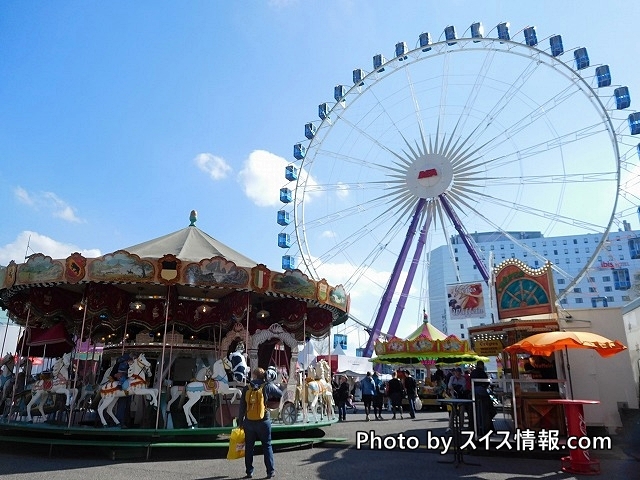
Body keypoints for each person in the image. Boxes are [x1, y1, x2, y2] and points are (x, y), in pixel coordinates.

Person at [237, 367, 283, 480]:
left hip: (249, 421)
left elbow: (242, 406)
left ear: (254, 375)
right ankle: (270, 472)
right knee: (267, 445)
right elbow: (280, 393)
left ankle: (249, 471)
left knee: (249, 447)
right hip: (264, 421)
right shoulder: (267, 386)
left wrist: (240, 422)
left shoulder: (246, 388)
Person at [470, 360, 494, 435]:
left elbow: (471, 382)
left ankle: (477, 427)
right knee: (487, 410)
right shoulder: (482, 373)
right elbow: (487, 382)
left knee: (476, 411)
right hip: (482, 394)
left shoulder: (473, 372)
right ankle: (486, 427)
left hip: (474, 394)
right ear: (482, 365)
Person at [447, 367, 467, 433]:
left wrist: (457, 387)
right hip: (453, 397)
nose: (458, 374)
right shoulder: (452, 378)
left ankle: (461, 427)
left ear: (461, 373)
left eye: (459, 372)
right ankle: (450, 427)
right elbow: (449, 386)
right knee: (453, 412)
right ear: (455, 373)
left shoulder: (463, 379)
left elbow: (464, 387)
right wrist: (455, 387)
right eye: (456, 372)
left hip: (461, 397)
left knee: (462, 411)